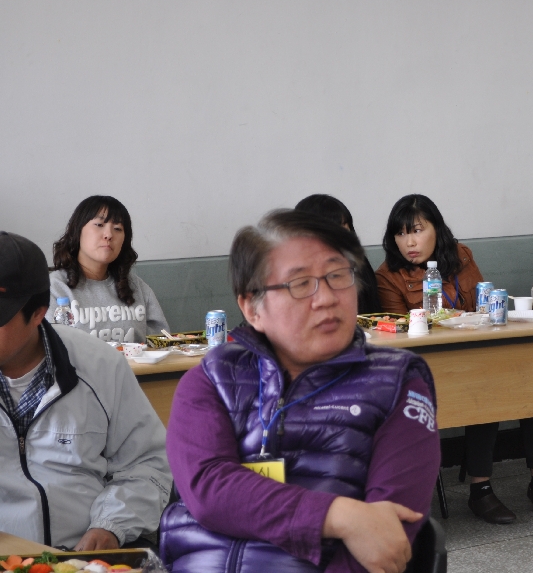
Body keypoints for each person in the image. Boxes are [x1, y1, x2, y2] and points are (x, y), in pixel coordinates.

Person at [160, 210, 440, 572]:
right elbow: (208, 490)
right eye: (300, 283)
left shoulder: (398, 384)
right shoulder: (211, 378)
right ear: (252, 308)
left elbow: (383, 541)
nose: (326, 298)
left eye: (338, 276)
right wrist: (338, 515)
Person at [375, 194, 533, 524]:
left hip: (473, 353)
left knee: (528, 379)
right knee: (483, 388)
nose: (409, 242)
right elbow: (400, 333)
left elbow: (483, 305)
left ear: (436, 229)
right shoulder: (388, 275)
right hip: (428, 366)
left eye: (417, 230)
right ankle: (480, 489)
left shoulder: (460, 256)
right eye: (401, 234)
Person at [0, 231, 171, 551]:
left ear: (37, 313)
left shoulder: (100, 366)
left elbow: (148, 464)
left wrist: (111, 525)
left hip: (84, 557)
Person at [48, 195, 169, 343]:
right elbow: (48, 347)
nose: (109, 235)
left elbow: (161, 342)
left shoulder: (136, 287)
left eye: (117, 228)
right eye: (99, 225)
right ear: (77, 230)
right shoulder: (55, 287)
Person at [294, 194, 381, 314]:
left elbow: (373, 313)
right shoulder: (297, 274)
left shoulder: (360, 263)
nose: (340, 235)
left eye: (344, 227)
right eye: (332, 229)